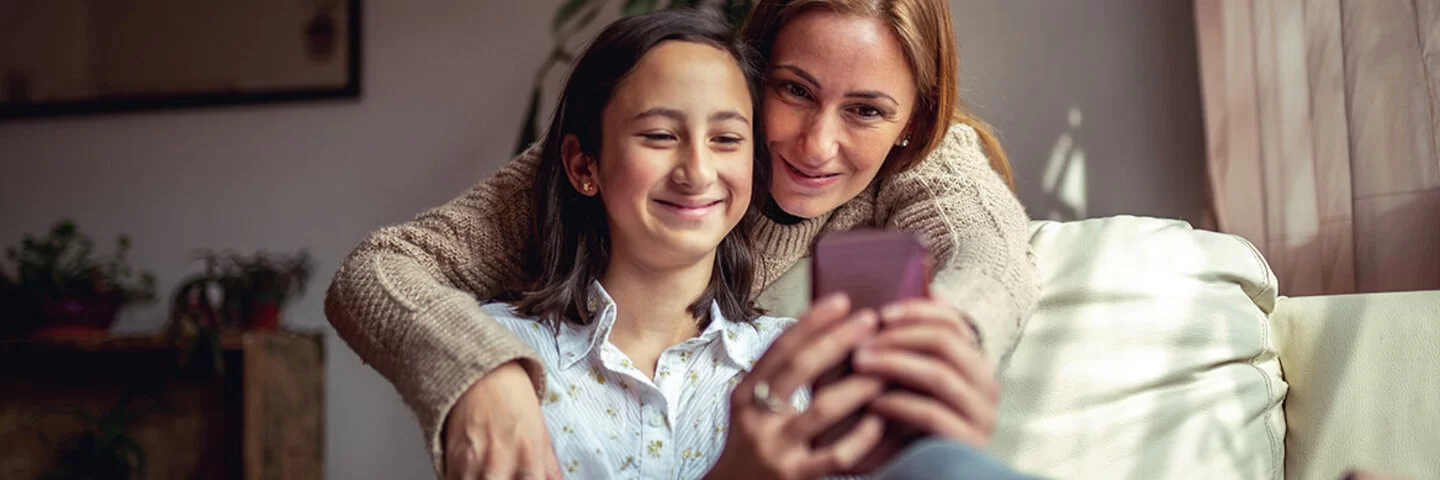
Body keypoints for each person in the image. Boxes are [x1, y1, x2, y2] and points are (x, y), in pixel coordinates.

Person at [324, 0, 1038, 478]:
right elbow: (382, 269)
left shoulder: (924, 155)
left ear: (913, 120)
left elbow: (992, 257)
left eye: (866, 111)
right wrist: (482, 371)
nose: (819, 145)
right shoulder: (640, 141)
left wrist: (933, 351)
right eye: (792, 91)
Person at [475, 11, 901, 478]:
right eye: (660, 136)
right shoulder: (495, 354)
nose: (697, 172)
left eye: (726, 138)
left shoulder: (799, 365)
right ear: (583, 166)